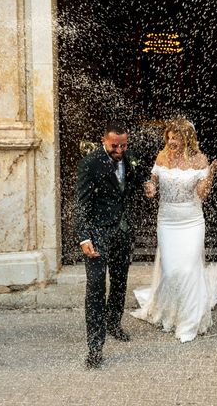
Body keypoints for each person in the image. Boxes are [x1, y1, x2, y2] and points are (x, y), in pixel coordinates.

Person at [131, 118, 217, 341]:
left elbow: (202, 194)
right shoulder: (162, 156)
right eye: (169, 137)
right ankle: (172, 311)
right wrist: (150, 188)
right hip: (167, 221)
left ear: (187, 138)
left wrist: (210, 172)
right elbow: (152, 182)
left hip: (191, 221)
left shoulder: (200, 159)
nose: (171, 141)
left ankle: (189, 323)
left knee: (189, 268)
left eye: (176, 137)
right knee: (172, 271)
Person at [75, 122, 143, 369]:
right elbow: (81, 204)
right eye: (115, 145)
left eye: (123, 145)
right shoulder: (90, 164)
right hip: (97, 234)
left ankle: (114, 323)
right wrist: (84, 238)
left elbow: (134, 182)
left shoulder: (130, 157)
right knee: (95, 287)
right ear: (104, 140)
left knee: (119, 281)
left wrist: (145, 184)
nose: (119, 150)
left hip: (122, 232)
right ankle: (95, 347)